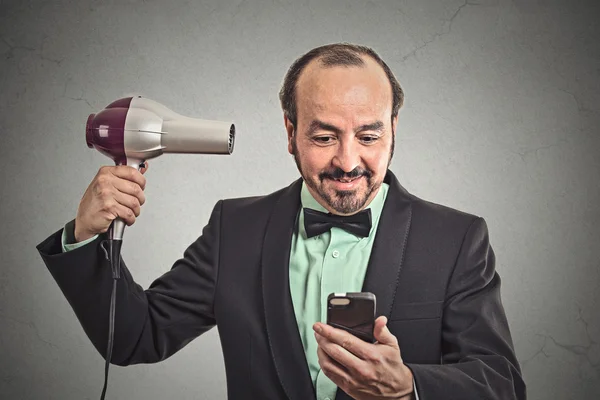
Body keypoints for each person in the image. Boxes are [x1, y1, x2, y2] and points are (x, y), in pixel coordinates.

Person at [37, 43, 526, 400]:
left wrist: (410, 388)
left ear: (394, 129)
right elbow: (134, 337)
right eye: (324, 137)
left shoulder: (457, 238)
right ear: (290, 132)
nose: (348, 161)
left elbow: (501, 383)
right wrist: (84, 236)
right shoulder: (235, 229)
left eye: (369, 136)